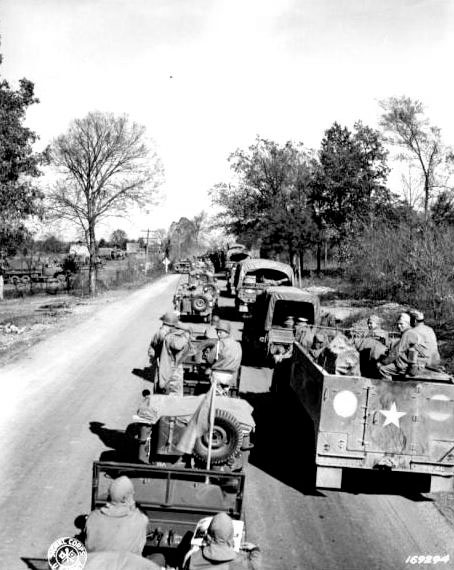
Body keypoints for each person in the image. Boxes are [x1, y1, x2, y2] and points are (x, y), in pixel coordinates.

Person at [85, 476, 148, 555]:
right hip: (126, 565)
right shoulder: (140, 519)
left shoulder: (93, 517)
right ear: (124, 499)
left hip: (97, 563)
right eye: (132, 493)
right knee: (159, 557)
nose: (134, 494)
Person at [184, 512, 261, 570]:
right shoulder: (238, 563)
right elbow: (254, 566)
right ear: (231, 539)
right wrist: (255, 549)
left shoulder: (193, 558)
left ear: (208, 537)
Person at [378, 312, 428, 380]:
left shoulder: (408, 334)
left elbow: (397, 351)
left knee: (383, 369)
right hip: (417, 364)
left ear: (407, 324)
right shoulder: (412, 332)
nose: (399, 326)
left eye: (401, 324)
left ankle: (389, 389)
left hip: (413, 367)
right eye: (398, 324)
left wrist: (383, 362)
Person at [158, 317, 192, 395]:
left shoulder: (172, 336)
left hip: (173, 368)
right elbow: (177, 345)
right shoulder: (171, 337)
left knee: (176, 392)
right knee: (174, 394)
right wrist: (186, 335)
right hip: (171, 370)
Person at [206, 321, 242, 391]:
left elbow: (210, 359)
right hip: (231, 376)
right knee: (223, 396)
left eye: (220, 332)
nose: (218, 335)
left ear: (227, 333)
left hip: (218, 374)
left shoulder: (220, 343)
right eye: (217, 332)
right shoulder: (238, 345)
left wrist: (208, 354)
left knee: (215, 397)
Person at [148, 311, 180, 388]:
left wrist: (155, 358)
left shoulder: (161, 333)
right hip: (171, 366)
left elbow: (152, 348)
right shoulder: (166, 333)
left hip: (164, 365)